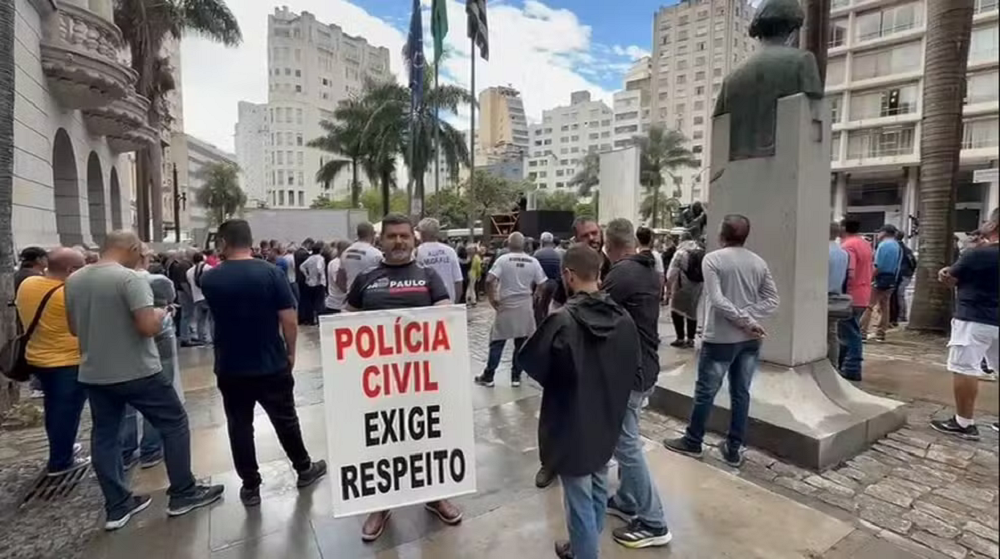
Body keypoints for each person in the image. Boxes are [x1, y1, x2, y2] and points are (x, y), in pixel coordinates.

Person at [65, 231, 223, 530]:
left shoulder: (75, 280)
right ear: (133, 248)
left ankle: (117, 506)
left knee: (105, 436)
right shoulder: (131, 279)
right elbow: (147, 327)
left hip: (95, 371)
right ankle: (183, 493)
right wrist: (162, 313)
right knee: (174, 423)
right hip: (138, 369)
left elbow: (74, 328)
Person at [345, 213, 463, 542]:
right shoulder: (366, 278)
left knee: (428, 438)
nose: (398, 242)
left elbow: (445, 313)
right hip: (378, 381)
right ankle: (381, 504)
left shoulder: (428, 276)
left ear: (415, 240)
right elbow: (347, 320)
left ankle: (434, 495)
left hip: (423, 378)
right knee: (381, 441)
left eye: (404, 237)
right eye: (392, 236)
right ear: (381, 240)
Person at [519, 244, 641, 559]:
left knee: (578, 500)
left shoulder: (561, 321)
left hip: (571, 420)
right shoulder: (624, 318)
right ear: (599, 273)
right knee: (599, 485)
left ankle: (584, 552)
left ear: (568, 276)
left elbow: (532, 362)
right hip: (607, 416)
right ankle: (581, 545)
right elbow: (632, 365)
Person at [200, 220, 327, 507]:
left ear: (223, 242)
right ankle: (304, 468)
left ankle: (250, 485)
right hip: (270, 361)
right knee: (285, 419)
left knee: (239, 425)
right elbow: (289, 320)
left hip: (230, 365)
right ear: (250, 239)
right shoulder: (271, 273)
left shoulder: (210, 278)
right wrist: (291, 352)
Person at [664, 215, 779, 467]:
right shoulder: (758, 262)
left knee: (705, 392)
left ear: (722, 234)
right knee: (741, 393)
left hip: (720, 339)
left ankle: (693, 441)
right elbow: (772, 300)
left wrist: (742, 318)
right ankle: (734, 447)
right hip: (749, 340)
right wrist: (749, 318)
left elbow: (717, 300)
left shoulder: (713, 259)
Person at [600, 220, 672, 549]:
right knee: (628, 441)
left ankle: (654, 522)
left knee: (626, 447)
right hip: (647, 367)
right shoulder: (648, 268)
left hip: (630, 371)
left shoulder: (621, 274)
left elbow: (596, 313)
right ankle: (628, 499)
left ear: (607, 244)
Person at [15, 247, 89, 476]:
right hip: (67, 362)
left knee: (54, 408)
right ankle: (61, 461)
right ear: (71, 270)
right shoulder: (67, 294)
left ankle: (62, 448)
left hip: (38, 358)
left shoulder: (28, 285)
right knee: (66, 412)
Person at [931, 209, 999, 440]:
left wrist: (943, 273)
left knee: (965, 368)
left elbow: (950, 277)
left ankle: (964, 422)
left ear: (993, 226)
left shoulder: (977, 254)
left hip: (974, 318)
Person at [476, 232, 546, 388]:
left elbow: (489, 280)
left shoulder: (503, 260)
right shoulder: (533, 261)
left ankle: (489, 376)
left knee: (497, 341)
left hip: (506, 305)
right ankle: (516, 376)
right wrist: (536, 296)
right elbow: (543, 283)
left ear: (508, 244)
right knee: (521, 343)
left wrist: (492, 298)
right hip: (525, 305)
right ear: (524, 245)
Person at [837, 218, 874, 381]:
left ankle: (852, 367)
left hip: (851, 295)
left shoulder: (848, 246)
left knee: (850, 333)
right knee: (849, 331)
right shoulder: (865, 244)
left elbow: (849, 271)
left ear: (844, 228)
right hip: (863, 294)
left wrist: (843, 291)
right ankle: (844, 364)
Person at [860, 225, 902, 342]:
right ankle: (881, 332)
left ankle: (862, 331)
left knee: (869, 305)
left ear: (884, 233)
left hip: (880, 277)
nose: (878, 235)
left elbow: (877, 265)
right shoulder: (897, 246)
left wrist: (870, 278)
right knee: (885, 306)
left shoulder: (883, 246)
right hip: (891, 277)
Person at [666, 234, 704, 348]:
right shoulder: (700, 250)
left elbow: (672, 273)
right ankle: (691, 339)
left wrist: (668, 287)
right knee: (692, 311)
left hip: (682, 285)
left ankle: (680, 338)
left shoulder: (680, 253)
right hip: (698, 285)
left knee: (676, 310)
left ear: (681, 240)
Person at [416, 218, 463, 302]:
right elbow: (458, 280)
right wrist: (456, 302)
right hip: (448, 301)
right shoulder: (450, 251)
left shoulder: (417, 252)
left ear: (422, 233)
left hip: (425, 302)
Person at [827, 223, 851, 371]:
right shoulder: (843, 253)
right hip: (835, 296)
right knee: (832, 334)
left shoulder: (821, 251)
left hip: (818, 297)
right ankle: (834, 366)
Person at [337, 222, 383, 296]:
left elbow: (339, 279)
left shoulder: (346, 252)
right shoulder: (376, 254)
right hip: (370, 296)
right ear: (372, 235)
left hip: (351, 296)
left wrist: (349, 291)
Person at [889, 229, 916, 327]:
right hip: (904, 274)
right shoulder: (906, 249)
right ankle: (899, 315)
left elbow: (912, 262)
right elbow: (913, 262)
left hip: (901, 274)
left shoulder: (898, 248)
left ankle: (901, 315)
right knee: (898, 294)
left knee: (898, 294)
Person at [186, 252, 213, 345]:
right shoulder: (208, 268)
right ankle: (212, 338)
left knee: (200, 320)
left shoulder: (189, 271)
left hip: (196, 297)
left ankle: (202, 339)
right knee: (211, 319)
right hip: (208, 296)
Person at [299, 243, 327, 325]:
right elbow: (319, 268)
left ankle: (310, 320)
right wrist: (320, 277)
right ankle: (320, 320)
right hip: (318, 283)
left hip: (310, 282)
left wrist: (307, 275)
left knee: (310, 303)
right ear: (320, 250)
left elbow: (301, 267)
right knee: (319, 302)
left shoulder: (310, 258)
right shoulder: (320, 258)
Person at [325, 240, 351, 314]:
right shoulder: (336, 263)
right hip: (336, 305)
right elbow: (340, 283)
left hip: (342, 304)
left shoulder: (345, 262)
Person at [294, 239, 313, 324]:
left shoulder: (297, 252)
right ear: (308, 244)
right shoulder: (304, 254)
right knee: (306, 299)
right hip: (304, 279)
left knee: (302, 299)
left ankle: (301, 318)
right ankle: (306, 318)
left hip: (299, 278)